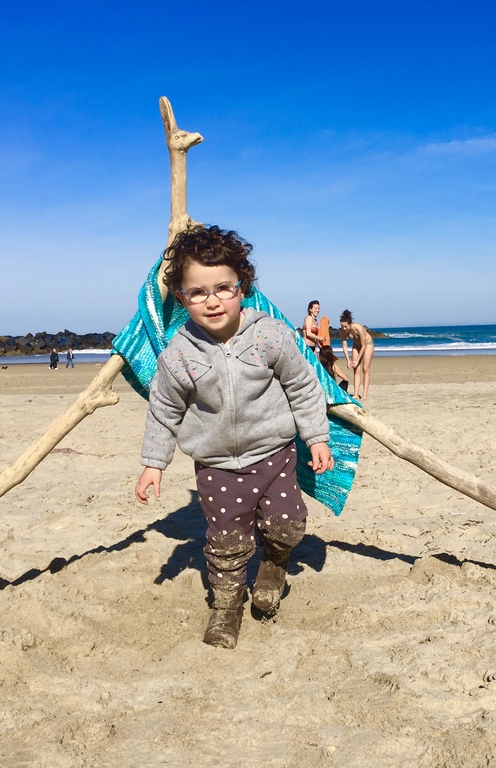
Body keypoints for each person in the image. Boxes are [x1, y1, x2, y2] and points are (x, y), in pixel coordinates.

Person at [134, 225, 334, 650]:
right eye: (197, 292)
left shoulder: (269, 335)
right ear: (182, 298)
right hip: (218, 465)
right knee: (227, 540)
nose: (212, 300)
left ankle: (275, 564)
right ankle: (226, 608)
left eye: (223, 288)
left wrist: (316, 437)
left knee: (288, 524)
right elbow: (165, 410)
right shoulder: (179, 355)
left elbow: (303, 386)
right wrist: (153, 464)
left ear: (242, 287)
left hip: (274, 454)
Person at [339, 309, 374, 399]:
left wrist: (357, 359)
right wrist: (348, 360)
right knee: (356, 369)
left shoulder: (358, 328)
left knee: (365, 368)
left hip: (367, 344)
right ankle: (356, 394)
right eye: (342, 326)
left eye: (346, 327)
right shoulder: (342, 331)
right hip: (356, 345)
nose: (344, 329)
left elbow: (364, 345)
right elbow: (344, 345)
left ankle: (365, 394)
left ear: (350, 324)